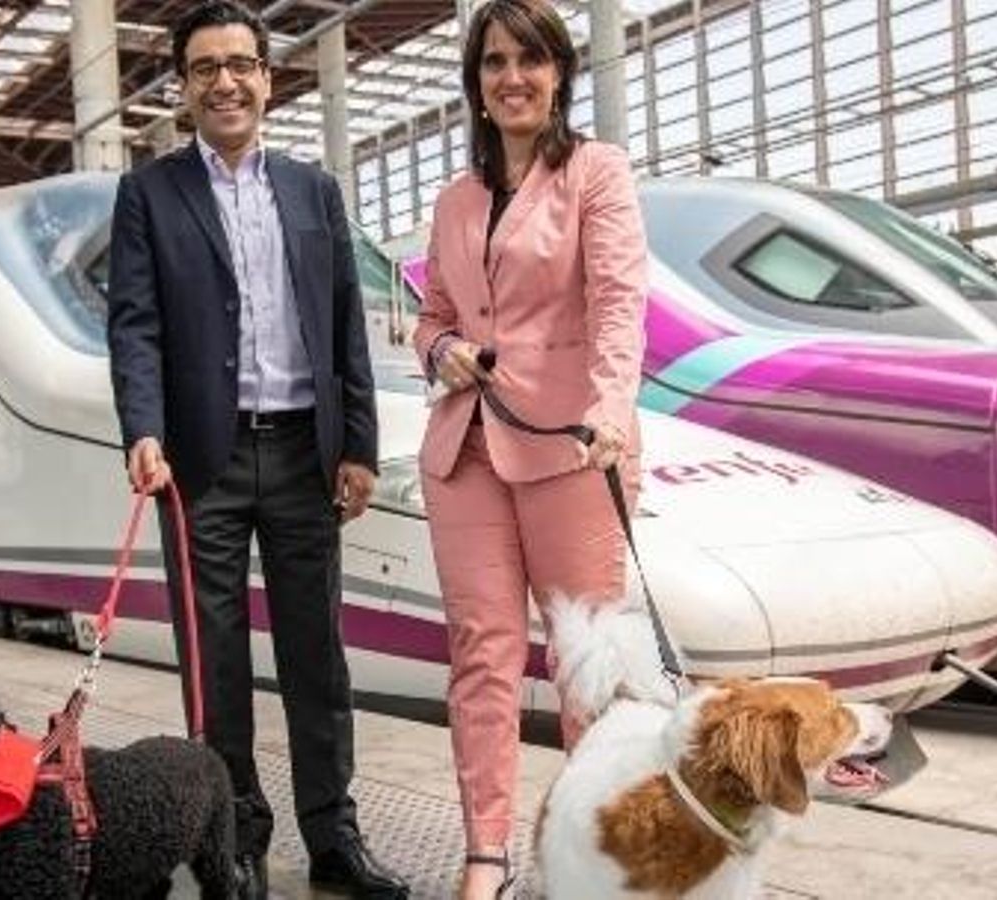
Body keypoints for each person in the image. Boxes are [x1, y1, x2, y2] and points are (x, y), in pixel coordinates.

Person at [105, 3, 408, 897]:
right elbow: (135, 326)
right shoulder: (149, 194)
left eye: (242, 63)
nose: (225, 81)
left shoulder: (315, 191)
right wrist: (143, 428)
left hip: (305, 456)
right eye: (205, 68)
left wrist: (357, 442)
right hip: (202, 463)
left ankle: (333, 834)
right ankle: (232, 832)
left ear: (270, 80)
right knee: (217, 659)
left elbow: (346, 322)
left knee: (318, 652)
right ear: (183, 88)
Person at [412, 0, 649, 897]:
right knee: (482, 654)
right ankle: (486, 857)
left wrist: (610, 411)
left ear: (559, 73)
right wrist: (444, 351)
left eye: (531, 60)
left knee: (587, 662)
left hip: (572, 448)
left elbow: (620, 302)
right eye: (494, 61)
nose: (512, 77)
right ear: (475, 83)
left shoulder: (597, 172)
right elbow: (432, 316)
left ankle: (592, 854)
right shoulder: (454, 199)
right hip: (466, 451)